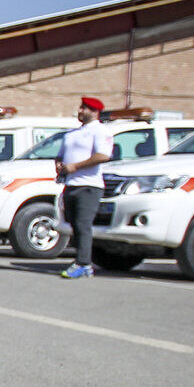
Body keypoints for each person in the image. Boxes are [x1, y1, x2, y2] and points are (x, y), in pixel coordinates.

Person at [56, 97, 113, 279]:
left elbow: (103, 155)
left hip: (89, 185)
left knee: (83, 225)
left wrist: (76, 166)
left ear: (95, 112)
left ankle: (83, 263)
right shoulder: (72, 134)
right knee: (74, 225)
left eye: (85, 109)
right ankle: (81, 260)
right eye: (80, 108)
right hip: (70, 184)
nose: (80, 111)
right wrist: (59, 164)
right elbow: (61, 155)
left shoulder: (100, 131)